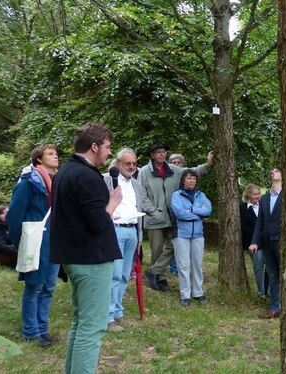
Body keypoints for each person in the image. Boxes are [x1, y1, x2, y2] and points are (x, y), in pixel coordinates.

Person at [50, 123, 123, 373]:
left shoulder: (64, 172)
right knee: (92, 328)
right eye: (107, 147)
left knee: (80, 323)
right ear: (94, 146)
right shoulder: (87, 176)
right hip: (91, 259)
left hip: (73, 256)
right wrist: (113, 202)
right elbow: (99, 223)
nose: (108, 152)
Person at [140, 141, 213, 292]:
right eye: (159, 152)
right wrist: (154, 211)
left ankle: (153, 272)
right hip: (155, 219)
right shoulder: (144, 172)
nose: (162, 154)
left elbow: (192, 172)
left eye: (164, 152)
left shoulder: (173, 169)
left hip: (173, 218)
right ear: (152, 155)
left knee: (175, 246)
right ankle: (158, 279)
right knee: (157, 250)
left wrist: (208, 164)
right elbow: (141, 196)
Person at [7, 144, 61, 348]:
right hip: (35, 241)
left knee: (48, 286)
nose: (55, 155)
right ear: (38, 159)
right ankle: (31, 331)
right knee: (35, 286)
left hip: (53, 241)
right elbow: (14, 215)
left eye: (56, 153)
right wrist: (21, 242)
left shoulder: (56, 183)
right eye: (49, 153)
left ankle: (42, 328)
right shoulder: (29, 183)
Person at [102, 148, 157, 332]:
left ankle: (118, 312)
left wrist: (140, 237)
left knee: (125, 275)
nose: (132, 167)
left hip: (132, 232)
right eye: (128, 163)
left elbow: (139, 209)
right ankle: (108, 317)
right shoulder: (105, 180)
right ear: (118, 163)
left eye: (134, 163)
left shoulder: (136, 185)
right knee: (114, 274)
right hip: (114, 231)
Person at [171, 170, 212, 307]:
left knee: (197, 264)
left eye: (194, 178)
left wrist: (192, 211)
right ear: (183, 180)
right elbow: (179, 213)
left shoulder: (201, 195)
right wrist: (198, 214)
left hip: (198, 235)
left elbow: (208, 210)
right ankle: (185, 295)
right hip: (181, 234)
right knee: (183, 265)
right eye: (189, 178)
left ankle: (198, 293)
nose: (192, 181)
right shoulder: (176, 195)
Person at [249, 167, 284, 319]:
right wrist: (255, 241)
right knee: (272, 274)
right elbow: (259, 222)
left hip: (282, 241)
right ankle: (275, 307)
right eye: (271, 171)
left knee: (285, 274)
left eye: (277, 170)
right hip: (267, 241)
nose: (273, 172)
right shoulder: (265, 198)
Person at [240, 184, 267, 299]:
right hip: (253, 244)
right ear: (248, 195)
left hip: (267, 242)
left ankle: (270, 291)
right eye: (255, 194)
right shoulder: (242, 208)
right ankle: (262, 292)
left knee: (270, 268)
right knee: (258, 266)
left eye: (258, 194)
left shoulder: (264, 206)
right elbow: (244, 228)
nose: (257, 197)